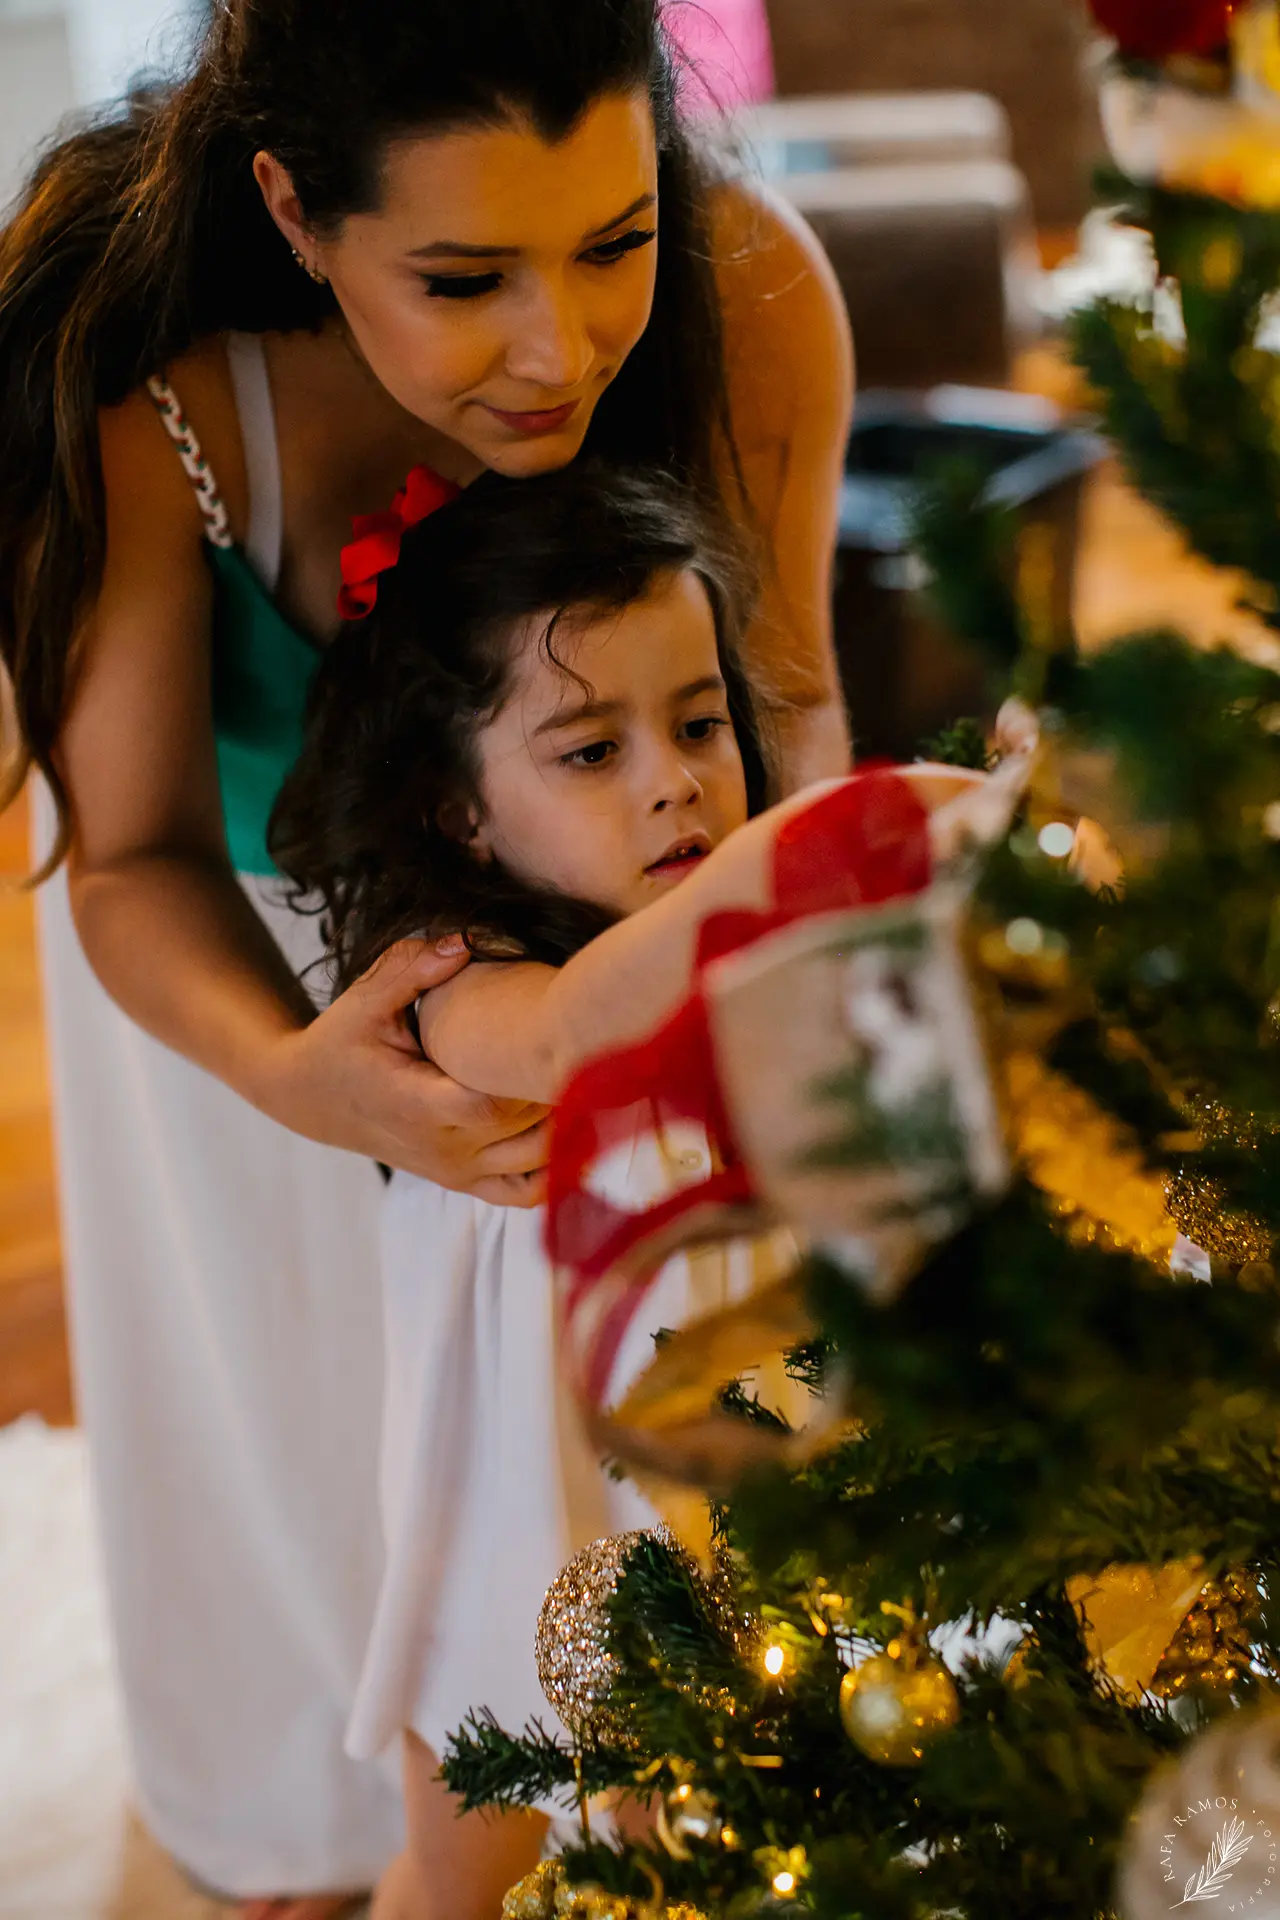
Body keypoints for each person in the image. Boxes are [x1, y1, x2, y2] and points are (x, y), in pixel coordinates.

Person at [0, 2, 852, 1914]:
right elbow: (130, 855)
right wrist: (298, 1074)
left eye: (616, 243)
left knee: (607, 1493)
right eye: (465, 280)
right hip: (232, 986)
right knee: (300, 1450)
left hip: (630, 989)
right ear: (296, 212)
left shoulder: (756, 304)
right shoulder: (141, 385)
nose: (561, 349)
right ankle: (312, 1827)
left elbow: (792, 719)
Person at [270, 460, 874, 1920]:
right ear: (461, 814)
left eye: (701, 723)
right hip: (507, 1517)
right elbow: (572, 1036)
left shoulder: (735, 954)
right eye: (593, 750)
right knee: (470, 1853)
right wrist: (796, 861)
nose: (675, 780)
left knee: (692, 1838)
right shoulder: (457, 981)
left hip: (709, 1474)